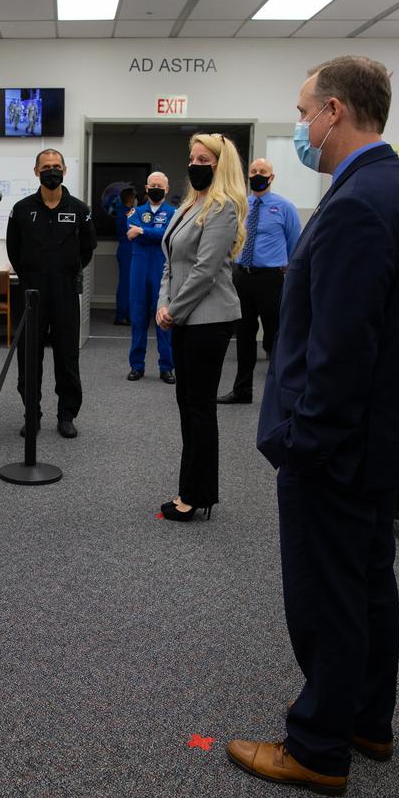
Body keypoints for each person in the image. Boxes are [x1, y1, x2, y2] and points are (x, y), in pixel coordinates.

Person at [227, 56, 399, 796]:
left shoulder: (355, 205)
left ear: (334, 111)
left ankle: (318, 744)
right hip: (383, 442)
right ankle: (366, 718)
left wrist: (306, 447)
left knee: (329, 596)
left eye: (302, 111)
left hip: (338, 447)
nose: (298, 127)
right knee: (370, 584)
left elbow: (342, 349)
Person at [155, 136, 244, 521]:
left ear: (220, 164)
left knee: (199, 409)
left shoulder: (222, 208)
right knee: (187, 407)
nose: (194, 164)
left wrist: (172, 311)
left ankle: (196, 495)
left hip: (209, 319)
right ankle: (191, 488)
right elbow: (171, 263)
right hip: (183, 317)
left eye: (203, 158)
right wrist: (163, 303)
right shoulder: (189, 203)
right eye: (191, 157)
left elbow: (205, 271)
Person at [5, 148, 96, 439]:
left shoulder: (80, 210)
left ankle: (66, 415)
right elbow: (13, 250)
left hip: (65, 291)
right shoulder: (21, 209)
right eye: (46, 166)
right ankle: (32, 414)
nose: (51, 171)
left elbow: (87, 249)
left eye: (57, 166)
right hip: (31, 293)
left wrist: (65, 271)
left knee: (67, 357)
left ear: (65, 171)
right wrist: (33, 274)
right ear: (36, 172)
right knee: (29, 359)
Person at [218, 158, 301, 404]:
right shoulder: (240, 206)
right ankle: (242, 391)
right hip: (242, 276)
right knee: (244, 336)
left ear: (271, 177)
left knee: (275, 336)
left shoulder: (284, 207)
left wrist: (285, 268)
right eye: (253, 171)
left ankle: (280, 393)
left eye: (262, 172)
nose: (257, 175)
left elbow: (294, 243)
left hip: (270, 279)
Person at [128, 171, 176, 383]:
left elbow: (168, 237)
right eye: (152, 185)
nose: (156, 188)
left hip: (162, 273)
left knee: (164, 321)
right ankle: (136, 366)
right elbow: (129, 232)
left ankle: (166, 367)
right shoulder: (135, 212)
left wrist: (143, 232)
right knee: (138, 320)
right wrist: (147, 232)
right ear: (146, 188)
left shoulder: (174, 213)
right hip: (138, 273)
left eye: (160, 185)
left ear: (166, 189)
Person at [111, 184, 136, 326]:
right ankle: (121, 315)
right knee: (126, 284)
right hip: (127, 249)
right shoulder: (125, 213)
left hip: (128, 249)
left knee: (130, 283)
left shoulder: (125, 211)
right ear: (130, 198)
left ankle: (127, 314)